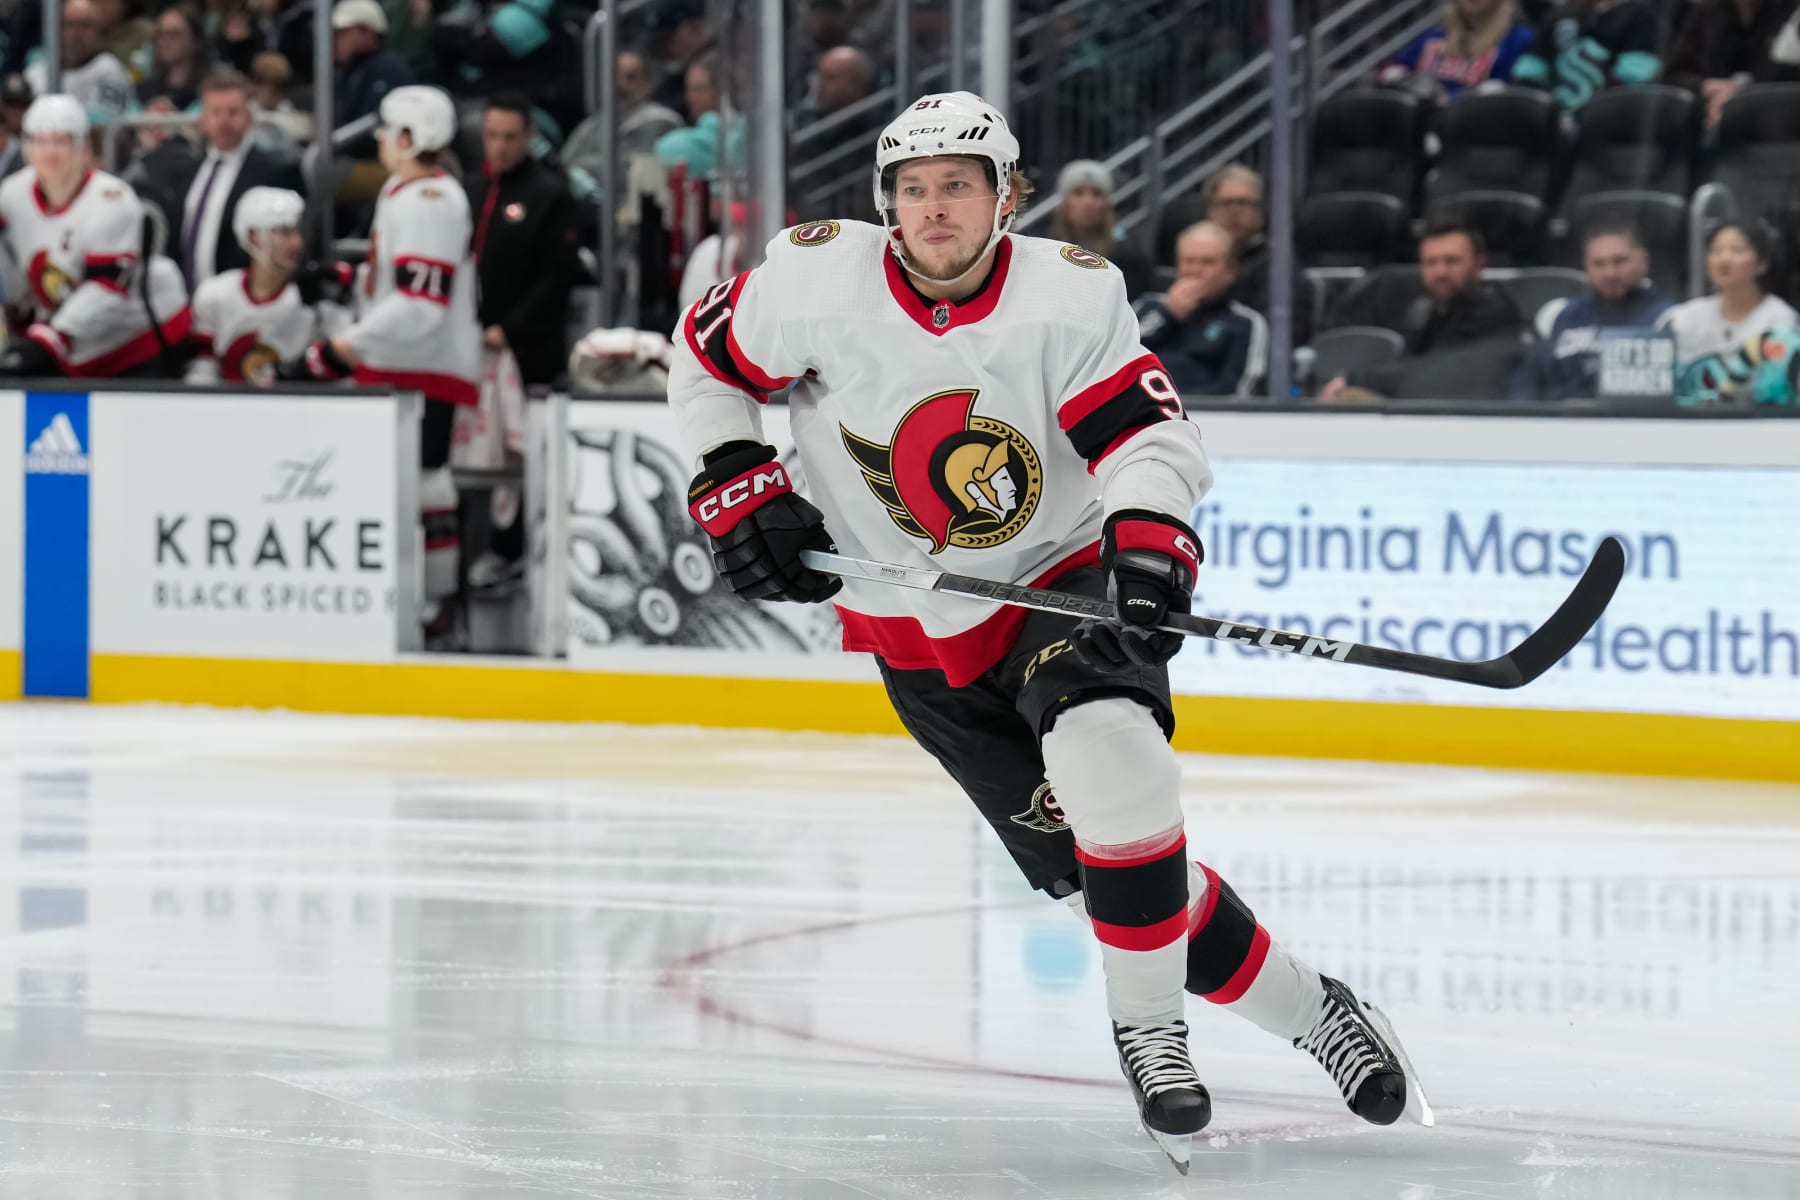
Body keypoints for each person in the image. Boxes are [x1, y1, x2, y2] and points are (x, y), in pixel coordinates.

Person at [664, 90, 1429, 1173]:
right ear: (888, 204)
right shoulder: (812, 278)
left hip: (1055, 578)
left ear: (1006, 197)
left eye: (959, 187)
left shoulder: (1068, 297)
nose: (935, 209)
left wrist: (1152, 537)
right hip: (914, 626)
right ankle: (1316, 1011)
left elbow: (1145, 436)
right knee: (1100, 873)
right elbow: (702, 359)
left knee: (1112, 762)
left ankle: (1150, 1035)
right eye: (914, 189)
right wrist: (735, 477)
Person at [275, 85, 480, 647]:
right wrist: (348, 281)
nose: (384, 142)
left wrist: (343, 347)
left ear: (414, 137)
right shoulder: (405, 190)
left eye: (391, 132)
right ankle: (420, 602)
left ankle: (438, 608)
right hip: (402, 364)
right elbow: (404, 283)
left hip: (421, 366)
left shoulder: (431, 201)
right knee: (404, 486)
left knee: (427, 484)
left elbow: (420, 307)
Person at [0, 94, 189, 378]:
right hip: (67, 340)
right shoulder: (12, 195)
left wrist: (49, 338)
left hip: (135, 339)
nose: (49, 152)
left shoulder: (113, 200)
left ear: (82, 147)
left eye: (60, 141)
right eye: (39, 141)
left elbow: (106, 288)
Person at [1320, 219, 1525, 400]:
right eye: (1431, 263)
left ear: (1479, 266)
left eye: (1451, 261)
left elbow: (1437, 371)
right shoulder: (1424, 311)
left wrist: (1358, 379)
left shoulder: (1494, 312)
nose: (1440, 272)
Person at [468, 92, 579, 388]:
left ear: (529, 136)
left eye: (509, 137)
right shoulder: (472, 189)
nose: (499, 147)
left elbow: (558, 275)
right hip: (471, 346)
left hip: (529, 354)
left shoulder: (551, 195)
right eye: (492, 136)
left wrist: (509, 329)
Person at [185, 186, 349, 384]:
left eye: (298, 232)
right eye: (285, 232)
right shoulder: (215, 294)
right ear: (254, 236)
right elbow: (202, 377)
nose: (297, 243)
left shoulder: (317, 295)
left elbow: (345, 380)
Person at [1507, 223, 1675, 402]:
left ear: (1644, 261)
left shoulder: (1667, 318)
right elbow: (1529, 379)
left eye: (1620, 261)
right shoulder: (1565, 315)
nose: (1610, 273)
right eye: (1598, 264)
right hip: (1561, 422)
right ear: (1586, 266)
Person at [174, 70, 306, 288]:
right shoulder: (188, 170)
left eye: (233, 112)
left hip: (245, 303)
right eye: (215, 113)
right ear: (203, 119)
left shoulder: (274, 171)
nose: (224, 122)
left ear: (249, 117)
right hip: (191, 303)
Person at [1658, 220, 1800, 405]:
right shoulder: (1681, 318)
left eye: (1737, 250)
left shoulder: (1780, 322)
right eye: (1716, 251)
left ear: (1762, 263)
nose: (1724, 259)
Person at [1134, 222, 1266, 396]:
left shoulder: (1244, 323)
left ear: (1230, 271)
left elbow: (1236, 391)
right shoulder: (1146, 307)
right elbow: (1121, 360)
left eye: (1207, 262)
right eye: (1188, 261)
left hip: (1208, 417)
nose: (1195, 270)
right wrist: (1168, 315)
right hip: (1141, 416)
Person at [1664, 0, 1800, 127]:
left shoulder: (1790, 13)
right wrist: (1705, 86)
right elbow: (1672, 76)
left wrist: (1740, 94)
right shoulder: (1707, 12)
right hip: (1710, 123)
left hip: (1773, 123)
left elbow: (1785, 76)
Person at [1511, 0, 1663, 113]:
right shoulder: (1560, 16)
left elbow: (1631, 81)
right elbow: (1528, 72)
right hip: (1551, 122)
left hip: (1603, 125)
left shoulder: (1642, 17)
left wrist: (1585, 118)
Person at [1379, 0, 1536, 101]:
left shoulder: (1518, 38)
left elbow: (1508, 92)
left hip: (1476, 133)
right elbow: (1396, 71)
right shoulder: (1434, 35)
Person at [1048, 159, 1152, 299]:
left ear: (1106, 204)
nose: (1087, 203)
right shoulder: (1045, 247)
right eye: (1078, 193)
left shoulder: (1128, 255)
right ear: (1064, 202)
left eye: (1096, 194)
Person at [24, 0, 131, 127]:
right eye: (70, 25)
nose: (77, 34)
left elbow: (105, 124)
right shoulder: (36, 71)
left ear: (99, 30)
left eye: (85, 25)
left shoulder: (109, 69)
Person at [331, 0, 412, 131]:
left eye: (343, 33)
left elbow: (373, 130)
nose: (336, 40)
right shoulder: (349, 70)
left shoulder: (388, 69)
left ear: (368, 33)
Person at [135, 4, 209, 110]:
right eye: (160, 34)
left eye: (174, 34)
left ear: (195, 40)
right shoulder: (144, 90)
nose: (165, 41)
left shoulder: (209, 88)